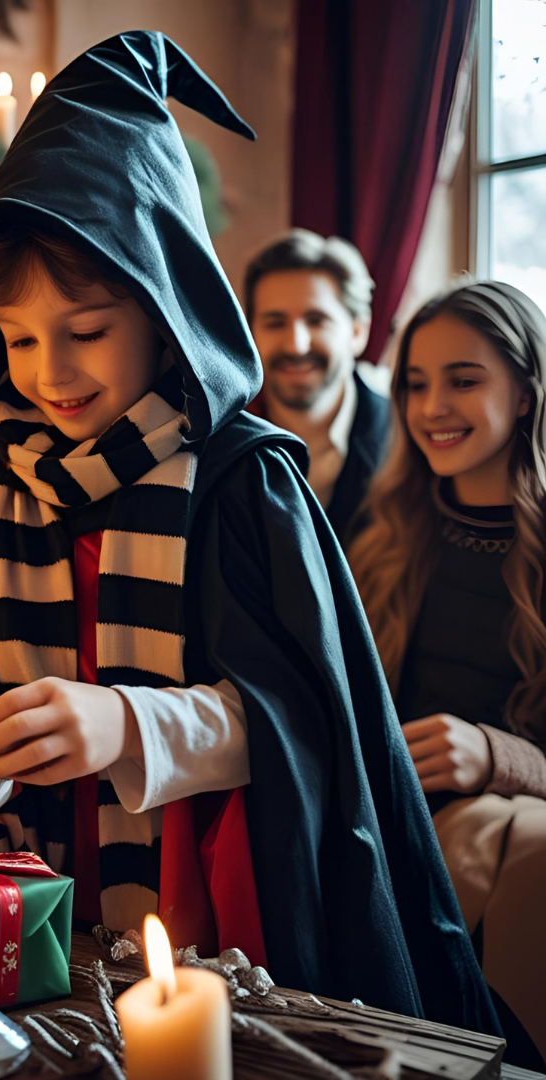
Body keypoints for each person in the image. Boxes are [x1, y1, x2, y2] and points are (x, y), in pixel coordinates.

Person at [0, 30, 497, 1032]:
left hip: (216, 918)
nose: (49, 374)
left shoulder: (241, 480)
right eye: (18, 339)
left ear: (166, 309)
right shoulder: (2, 476)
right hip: (32, 880)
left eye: (87, 330)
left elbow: (305, 726)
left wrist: (126, 726)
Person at [348, 280, 546, 1061]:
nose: (432, 406)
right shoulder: (385, 535)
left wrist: (495, 757)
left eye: (463, 380)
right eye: (415, 383)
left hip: (511, 836)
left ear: (526, 392)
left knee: (524, 839)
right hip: (393, 821)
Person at [245, 230, 390, 540]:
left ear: (357, 331)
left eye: (316, 320)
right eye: (275, 322)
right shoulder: (217, 440)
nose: (296, 345)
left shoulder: (405, 437)